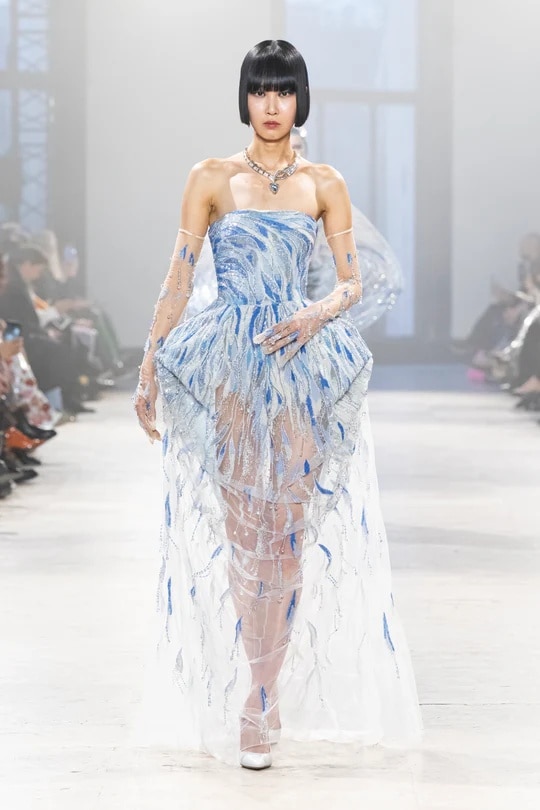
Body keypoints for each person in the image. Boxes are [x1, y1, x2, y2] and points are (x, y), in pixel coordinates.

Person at [134, 39, 422, 770]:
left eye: (284, 90)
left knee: (288, 533)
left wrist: (316, 312)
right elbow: (178, 279)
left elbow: (352, 283)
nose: (271, 104)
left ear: (300, 99)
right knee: (244, 532)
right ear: (245, 98)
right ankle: (256, 681)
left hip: (299, 361)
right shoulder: (209, 177)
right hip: (231, 364)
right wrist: (147, 366)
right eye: (261, 90)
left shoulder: (325, 183)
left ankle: (263, 694)